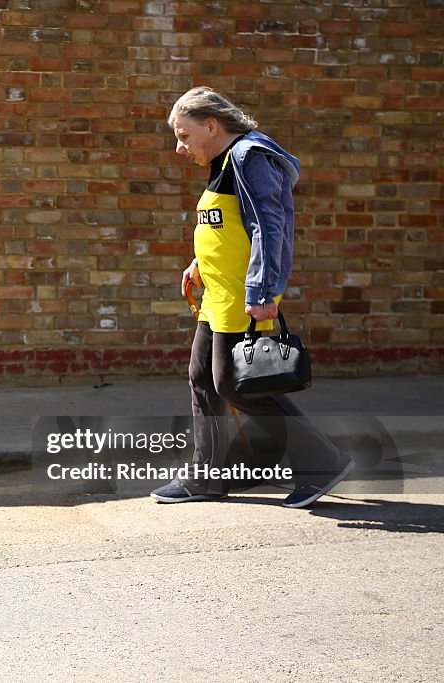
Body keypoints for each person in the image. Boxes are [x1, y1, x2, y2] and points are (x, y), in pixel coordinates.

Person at [150, 87, 354, 508]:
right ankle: (205, 478)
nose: (179, 147)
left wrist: (264, 290)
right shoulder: (224, 161)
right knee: (203, 381)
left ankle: (322, 462)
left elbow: (267, 225)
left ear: (211, 126)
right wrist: (200, 261)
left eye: (185, 136)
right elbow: (229, 223)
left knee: (236, 385)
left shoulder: (249, 157)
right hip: (218, 293)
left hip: (245, 295)